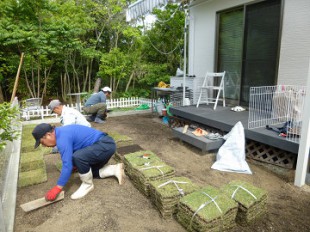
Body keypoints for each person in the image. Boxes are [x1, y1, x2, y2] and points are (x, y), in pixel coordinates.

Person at [32, 123, 124, 201]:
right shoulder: (61, 132)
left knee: (78, 157)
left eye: (42, 142)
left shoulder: (62, 138)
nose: (44, 146)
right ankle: (114, 169)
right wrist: (76, 165)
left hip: (105, 145)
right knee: (86, 171)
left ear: (48, 135)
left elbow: (67, 165)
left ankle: (87, 185)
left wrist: (58, 187)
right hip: (103, 147)